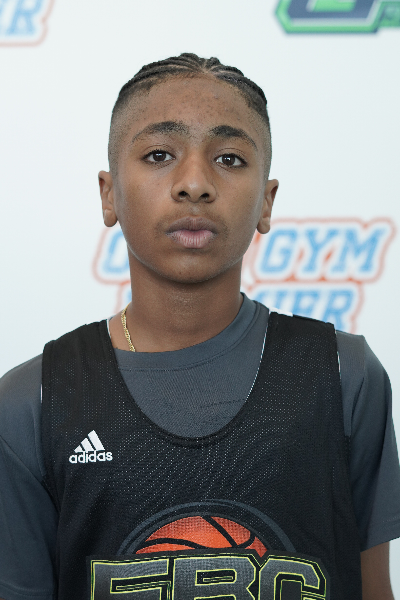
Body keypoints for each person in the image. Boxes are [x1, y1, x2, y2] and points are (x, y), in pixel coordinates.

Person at [0, 53, 399, 600]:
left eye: (229, 158)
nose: (194, 183)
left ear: (266, 201)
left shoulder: (342, 373)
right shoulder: (33, 400)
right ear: (109, 194)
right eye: (159, 155)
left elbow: (374, 589)